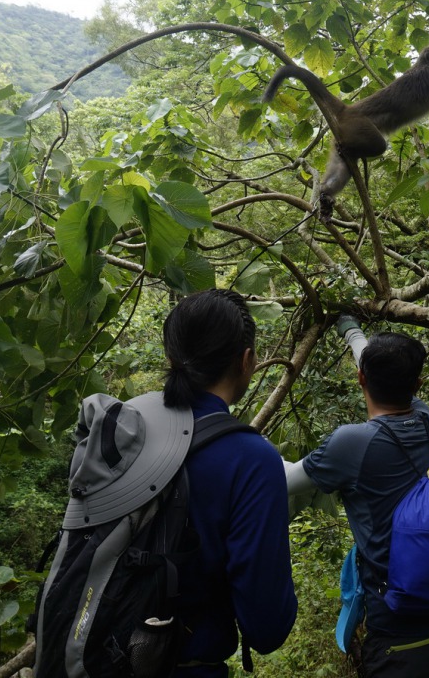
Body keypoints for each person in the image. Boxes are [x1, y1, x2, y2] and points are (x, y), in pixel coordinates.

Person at [285, 317, 429, 677]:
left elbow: (284, 479)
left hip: (404, 636)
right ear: (418, 383)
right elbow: (375, 362)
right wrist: (352, 333)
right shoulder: (425, 418)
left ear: (361, 378)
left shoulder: (352, 443)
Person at [163, 288, 298, 676]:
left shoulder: (121, 430)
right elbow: (267, 627)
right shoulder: (250, 458)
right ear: (247, 361)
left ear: (171, 360)